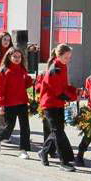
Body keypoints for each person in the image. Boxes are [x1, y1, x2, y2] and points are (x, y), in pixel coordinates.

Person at [37, 44, 78, 172]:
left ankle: (44, 152)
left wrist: (75, 91)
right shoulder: (54, 70)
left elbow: (65, 86)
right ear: (58, 56)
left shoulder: (63, 67)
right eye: (66, 57)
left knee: (57, 130)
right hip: (50, 104)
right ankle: (63, 161)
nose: (68, 60)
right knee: (58, 131)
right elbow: (59, 92)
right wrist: (72, 97)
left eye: (69, 57)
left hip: (57, 103)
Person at [0, 47, 34, 159]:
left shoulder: (22, 69)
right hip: (9, 104)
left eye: (19, 57)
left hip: (22, 102)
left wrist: (33, 81)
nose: (17, 59)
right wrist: (0, 104)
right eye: (14, 56)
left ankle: (23, 150)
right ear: (9, 57)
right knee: (9, 127)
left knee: (25, 127)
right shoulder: (4, 71)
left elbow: (25, 83)